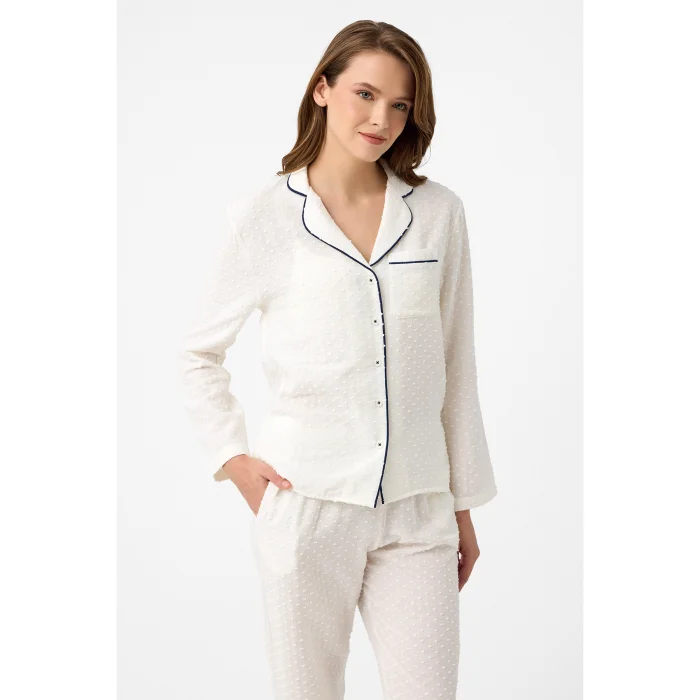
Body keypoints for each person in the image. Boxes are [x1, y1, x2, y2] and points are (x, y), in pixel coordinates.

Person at [179, 19, 497, 700]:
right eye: (365, 94)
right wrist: (234, 461)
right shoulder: (264, 217)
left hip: (418, 509)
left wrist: (464, 505)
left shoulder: (439, 214)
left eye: (400, 104)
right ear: (322, 89)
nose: (381, 119)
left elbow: (455, 364)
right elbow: (198, 354)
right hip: (306, 506)